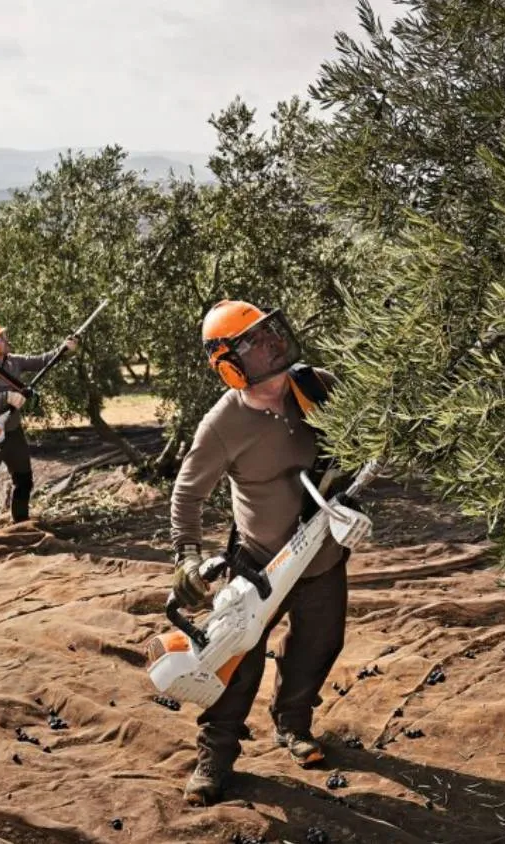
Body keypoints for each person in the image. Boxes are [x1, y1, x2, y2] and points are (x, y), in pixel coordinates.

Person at [169, 299, 348, 806]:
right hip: (260, 565)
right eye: (255, 341)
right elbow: (187, 494)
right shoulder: (223, 425)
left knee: (321, 644)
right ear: (230, 365)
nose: (272, 343)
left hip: (322, 557)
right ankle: (215, 756)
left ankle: (292, 723)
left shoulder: (317, 386)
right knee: (236, 662)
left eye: (271, 332)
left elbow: (363, 440)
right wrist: (186, 555)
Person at [0, 320, 77, 546]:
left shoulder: (14, 362)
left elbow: (43, 360)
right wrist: (7, 397)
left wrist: (64, 350)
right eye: (0, 338)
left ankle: (20, 521)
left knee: (23, 479)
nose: (5, 340)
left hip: (13, 432)